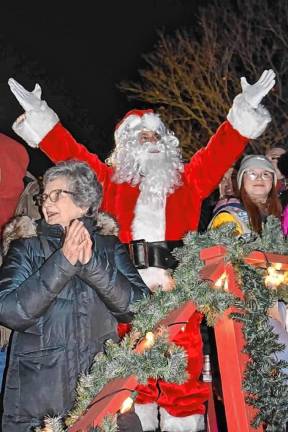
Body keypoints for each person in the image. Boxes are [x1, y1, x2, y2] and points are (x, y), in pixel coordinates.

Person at [8, 70, 275, 432]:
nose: (149, 140)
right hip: (124, 294)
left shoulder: (188, 181)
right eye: (140, 135)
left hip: (178, 293)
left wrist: (244, 108)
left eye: (155, 135)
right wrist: (41, 117)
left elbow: (220, 149)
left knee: (183, 380)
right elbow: (69, 152)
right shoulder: (108, 182)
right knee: (133, 385)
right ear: (125, 145)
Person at [0, 160, 149, 432]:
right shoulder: (26, 247)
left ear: (84, 202)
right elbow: (9, 310)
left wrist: (92, 265)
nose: (46, 203)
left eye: (57, 194)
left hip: (102, 393)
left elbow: (141, 308)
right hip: (40, 404)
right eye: (44, 195)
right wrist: (64, 262)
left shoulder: (109, 247)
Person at [208, 154, 288, 385]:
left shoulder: (277, 219)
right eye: (252, 173)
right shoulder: (229, 216)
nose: (259, 178)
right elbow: (228, 265)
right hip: (249, 311)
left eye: (265, 174)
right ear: (241, 181)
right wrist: (268, 301)